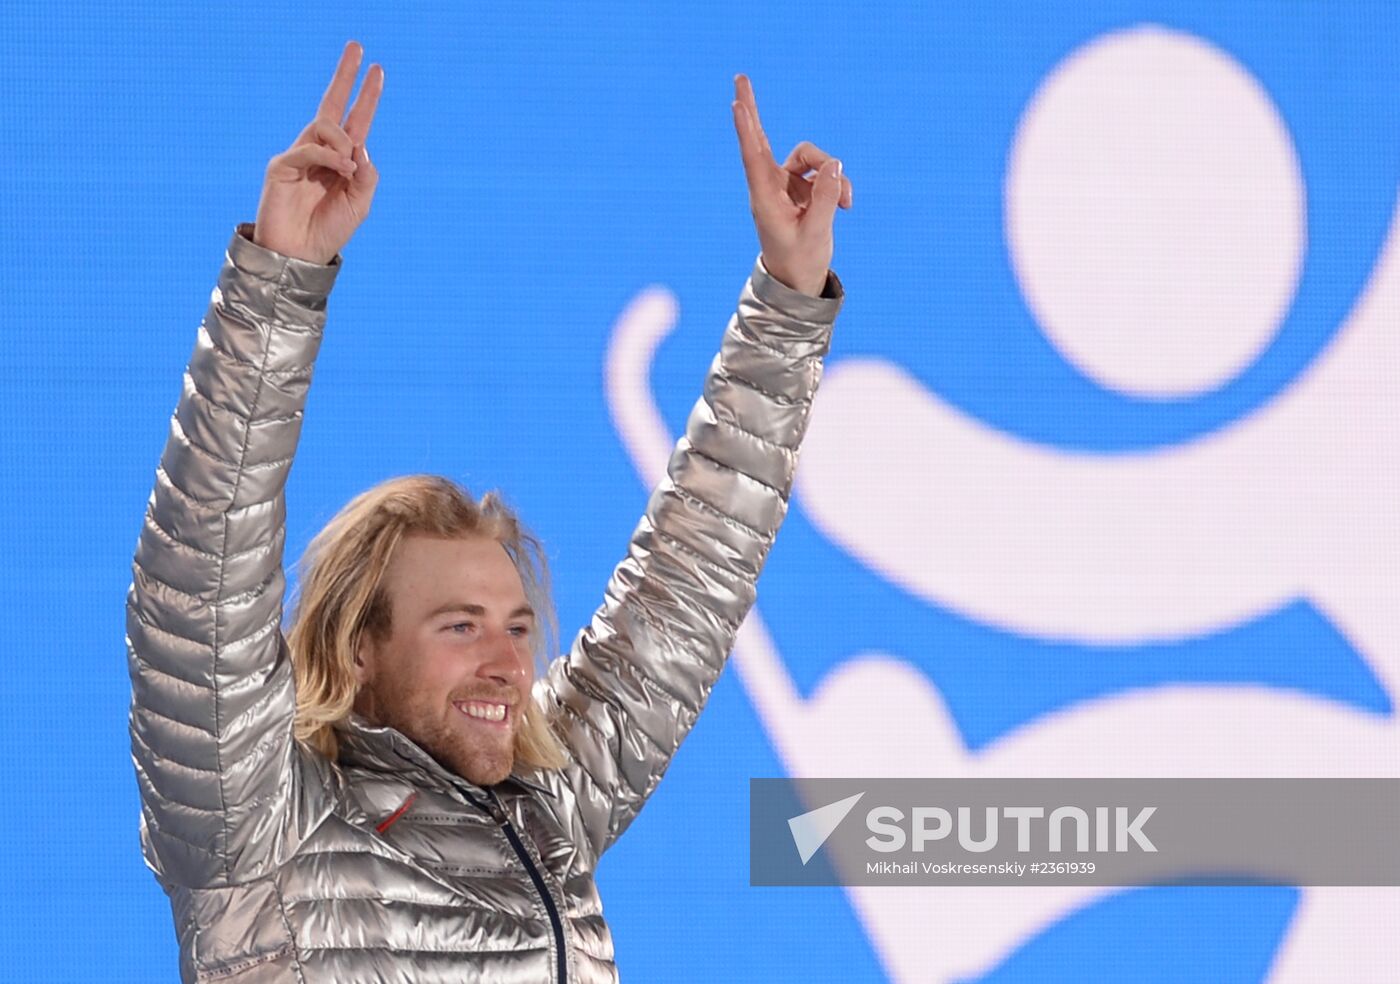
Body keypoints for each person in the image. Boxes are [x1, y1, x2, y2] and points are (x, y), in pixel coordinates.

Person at [125, 39, 851, 983]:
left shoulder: (547, 807)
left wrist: (789, 299)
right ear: (357, 647)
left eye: (515, 626)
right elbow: (196, 594)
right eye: (459, 626)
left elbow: (687, 583)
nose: (508, 662)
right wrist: (276, 286)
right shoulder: (259, 830)